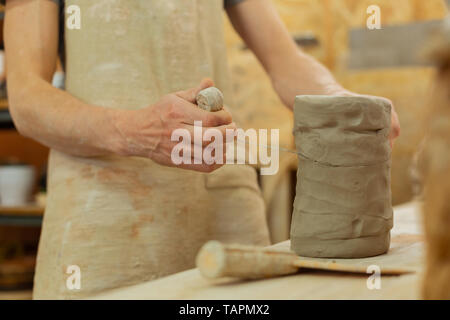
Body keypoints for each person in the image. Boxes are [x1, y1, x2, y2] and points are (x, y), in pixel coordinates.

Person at [3, 0, 400, 299]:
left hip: (223, 212)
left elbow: (286, 61)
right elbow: (26, 98)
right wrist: (134, 131)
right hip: (106, 218)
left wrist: (342, 102)